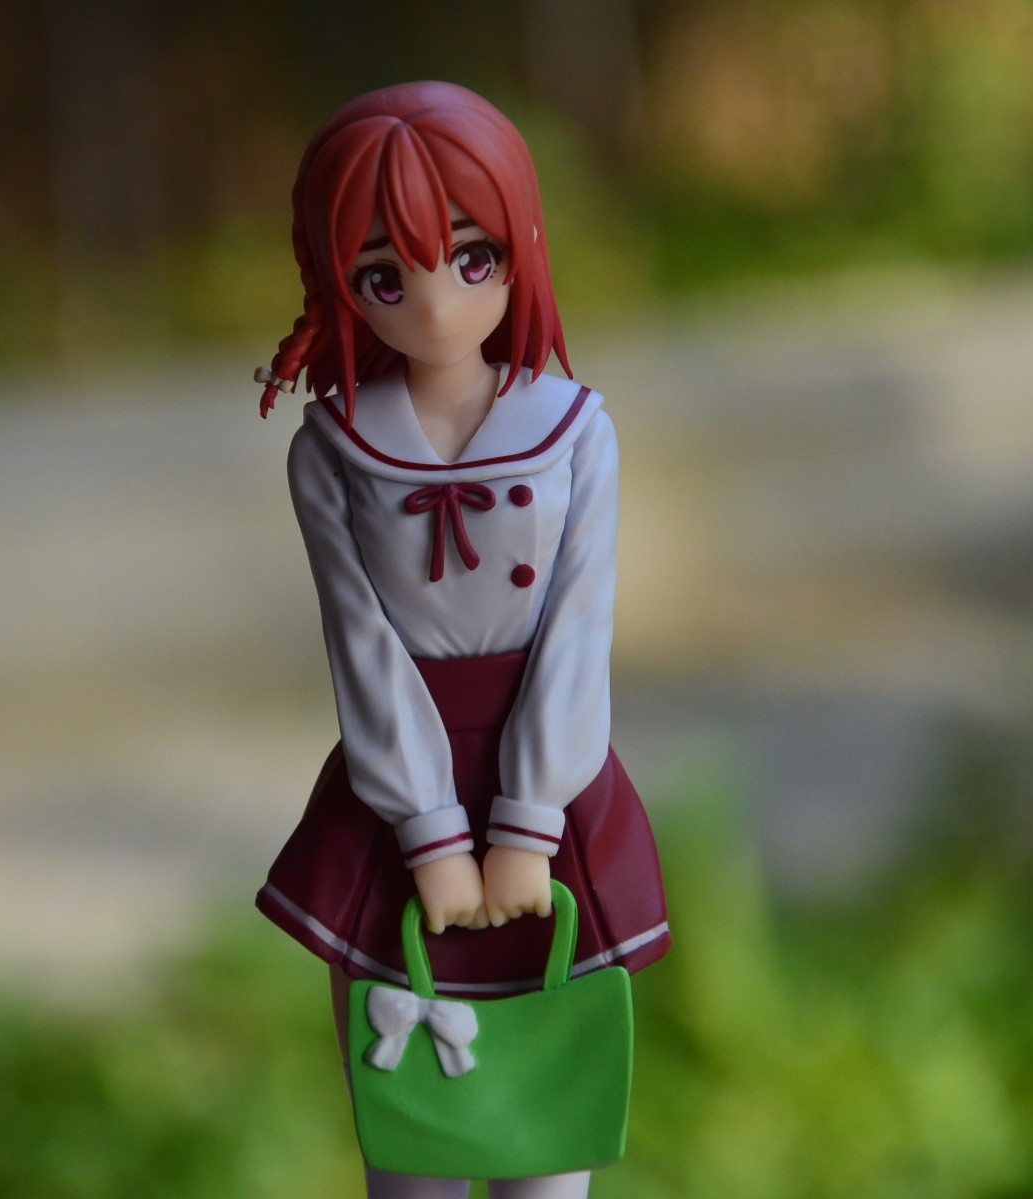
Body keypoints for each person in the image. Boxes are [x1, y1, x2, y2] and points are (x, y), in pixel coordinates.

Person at [252, 80, 669, 1199]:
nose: (436, 305)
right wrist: (430, 831)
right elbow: (360, 644)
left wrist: (528, 818)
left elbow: (578, 628)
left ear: (521, 243)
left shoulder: (575, 433)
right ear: (333, 279)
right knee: (412, 1135)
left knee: (549, 1121)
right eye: (385, 277)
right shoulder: (333, 449)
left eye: (472, 258)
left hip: (550, 788)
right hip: (396, 795)